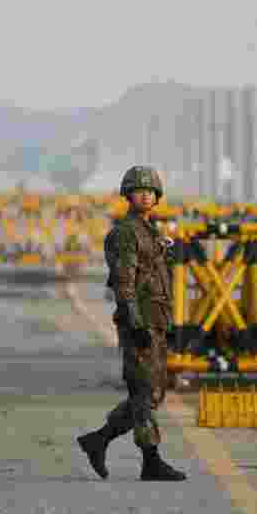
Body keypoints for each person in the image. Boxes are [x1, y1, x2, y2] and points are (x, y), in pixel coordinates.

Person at [76, 166, 187, 482]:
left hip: (155, 322)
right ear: (128, 195)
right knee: (143, 394)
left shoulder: (150, 232)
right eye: (140, 191)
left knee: (152, 393)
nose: (146, 196)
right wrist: (136, 324)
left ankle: (98, 440)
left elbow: (157, 283)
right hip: (139, 323)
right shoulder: (126, 233)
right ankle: (150, 460)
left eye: (151, 191)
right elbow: (124, 284)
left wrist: (168, 323)